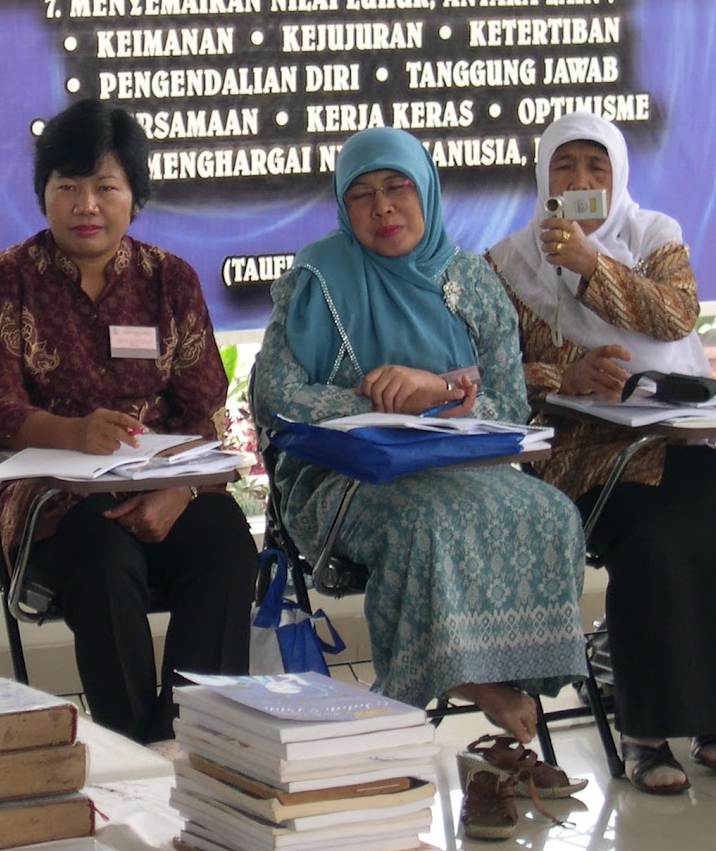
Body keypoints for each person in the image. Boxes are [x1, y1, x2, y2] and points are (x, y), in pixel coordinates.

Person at [488, 113, 716, 794]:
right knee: (660, 545)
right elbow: (501, 371)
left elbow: (676, 315)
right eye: (566, 167)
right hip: (590, 453)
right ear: (543, 176)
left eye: (596, 167)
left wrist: (591, 265)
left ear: (618, 175)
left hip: (687, 436)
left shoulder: (655, 236)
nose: (581, 182)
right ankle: (645, 731)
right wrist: (568, 375)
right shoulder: (508, 263)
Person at [249, 127, 588, 773]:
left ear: (426, 191)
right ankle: (453, 679)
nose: (382, 209)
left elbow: (509, 408)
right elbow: (273, 397)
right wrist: (371, 404)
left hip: (460, 465)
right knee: (425, 526)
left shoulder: (469, 280)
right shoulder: (318, 278)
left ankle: (497, 673)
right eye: (362, 195)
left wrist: (441, 391)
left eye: (397, 187)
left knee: (550, 513)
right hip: (342, 477)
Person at [0, 99, 258, 745]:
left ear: (135, 195)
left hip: (169, 483)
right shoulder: (4, 281)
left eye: (105, 187)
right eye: (67, 187)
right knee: (101, 558)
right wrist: (70, 433)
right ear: (44, 195)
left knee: (226, 544)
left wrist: (177, 489)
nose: (85, 205)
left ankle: (196, 739)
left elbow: (205, 407)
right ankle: (134, 743)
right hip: (55, 498)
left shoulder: (169, 280)